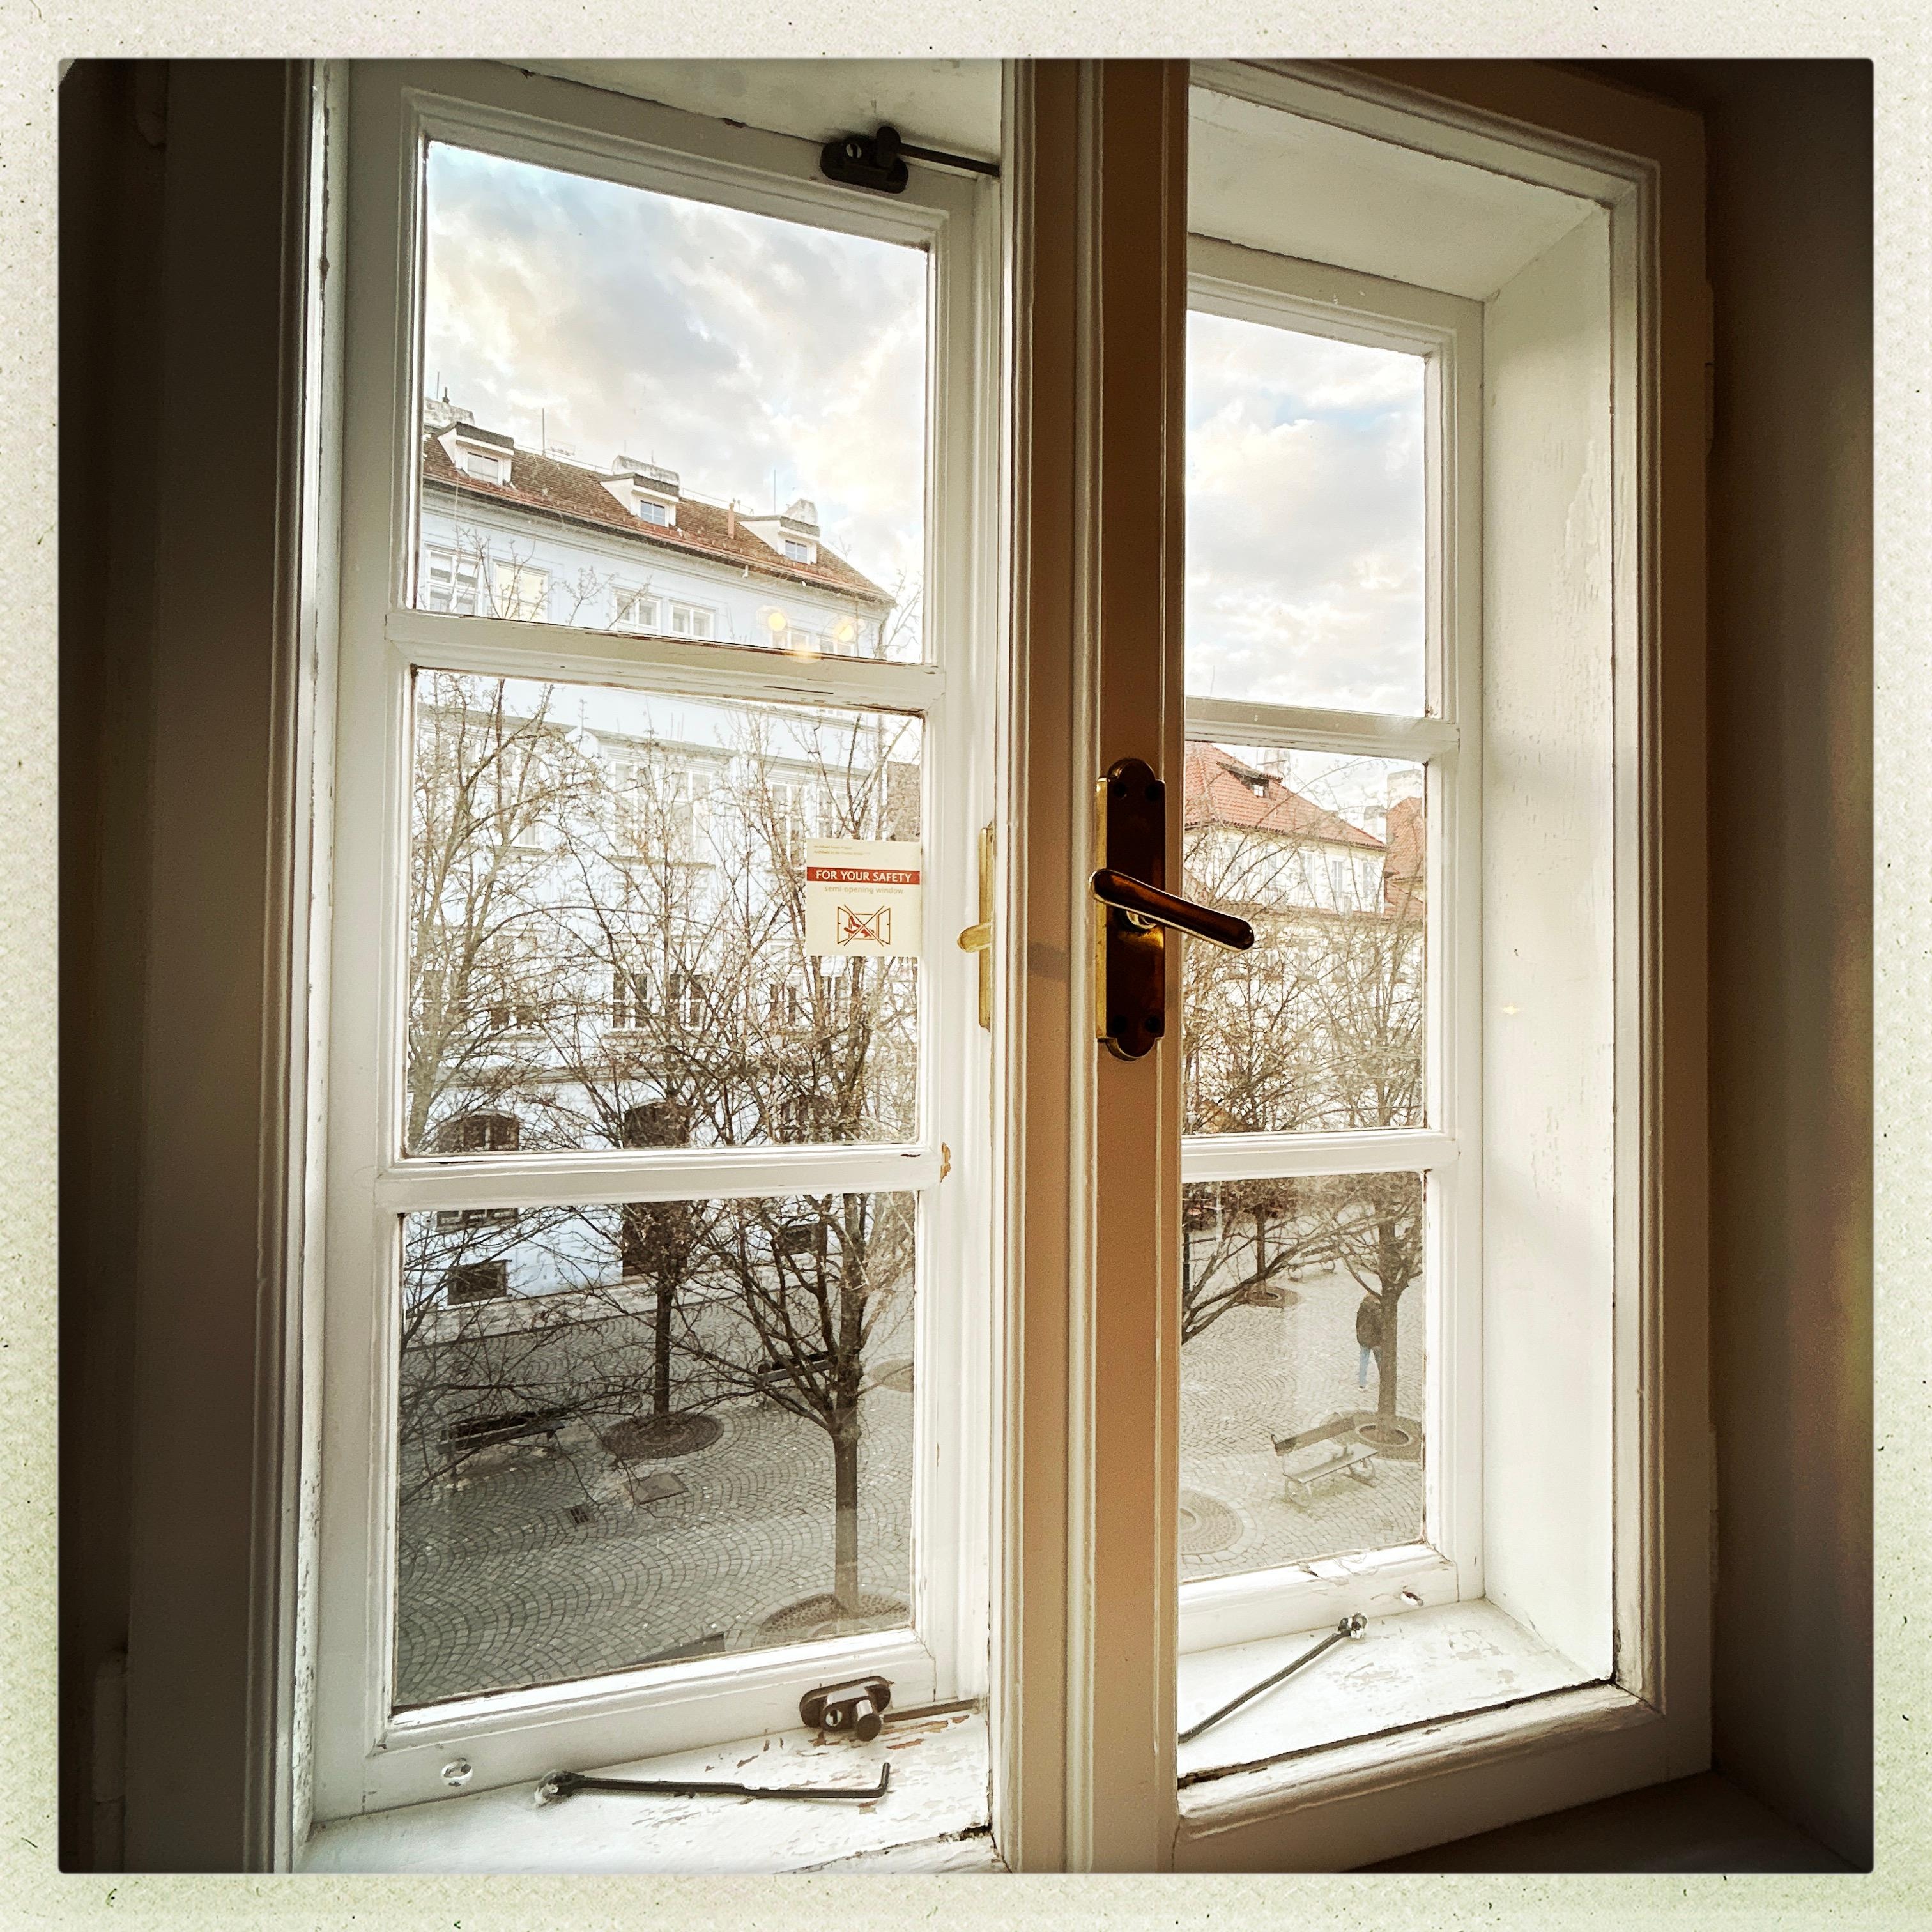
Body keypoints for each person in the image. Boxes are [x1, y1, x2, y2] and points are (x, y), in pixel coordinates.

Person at [1355, 1289, 1383, 1391]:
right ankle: (1384, 1381)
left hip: (1363, 1337)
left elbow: (1358, 1321)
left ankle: (1362, 1384)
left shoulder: (1363, 1305)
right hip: (1375, 1339)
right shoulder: (1377, 1308)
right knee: (1380, 1359)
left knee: (1364, 1360)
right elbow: (1380, 1325)